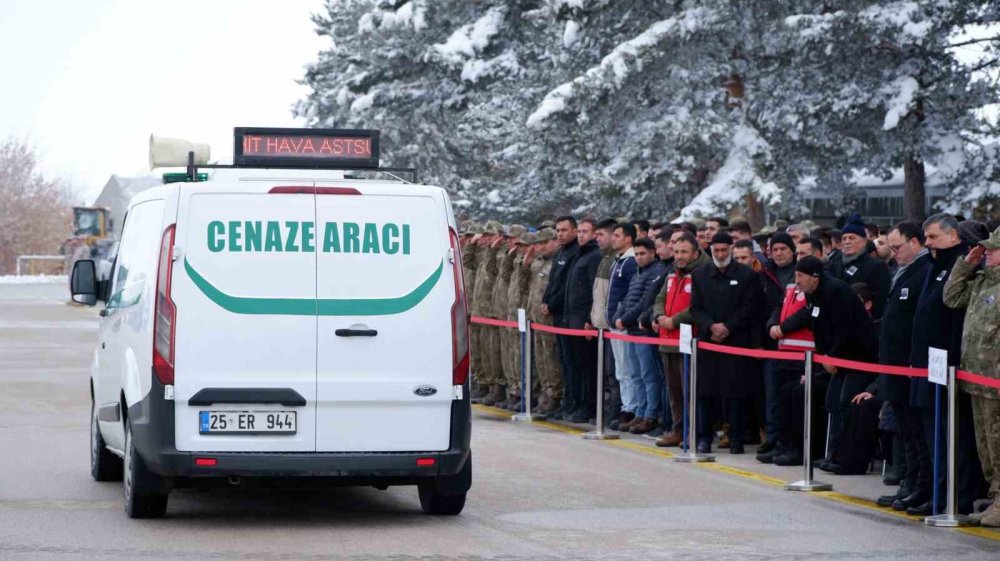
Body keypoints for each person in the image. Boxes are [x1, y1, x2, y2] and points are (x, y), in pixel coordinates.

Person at [909, 213, 984, 516]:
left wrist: (953, 364)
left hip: (948, 367)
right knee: (932, 434)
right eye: (925, 237)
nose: (927, 243)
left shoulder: (961, 265)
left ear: (954, 236)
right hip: (927, 364)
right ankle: (938, 491)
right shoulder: (934, 264)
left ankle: (957, 495)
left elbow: (954, 317)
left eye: (933, 237)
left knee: (953, 436)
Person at [791, 256, 878, 472]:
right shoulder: (814, 295)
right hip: (835, 359)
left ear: (815, 276)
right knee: (832, 403)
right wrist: (824, 357)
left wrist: (832, 356)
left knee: (846, 403)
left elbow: (845, 329)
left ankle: (849, 458)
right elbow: (819, 327)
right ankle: (834, 453)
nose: (797, 281)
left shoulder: (836, 291)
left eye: (800, 276)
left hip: (857, 358)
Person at [943, 226, 1000, 526]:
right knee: (985, 444)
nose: (986, 251)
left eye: (993, 248)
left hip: (995, 380)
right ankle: (995, 498)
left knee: (997, 440)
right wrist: (966, 264)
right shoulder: (981, 282)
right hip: (975, 377)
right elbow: (951, 298)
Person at [874, 222, 933, 509]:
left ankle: (920, 485)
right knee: (905, 430)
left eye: (897, 247)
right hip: (895, 365)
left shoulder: (924, 270)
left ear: (914, 242)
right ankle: (908, 484)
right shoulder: (903, 271)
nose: (893, 252)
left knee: (915, 431)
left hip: (910, 366)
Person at [689, 232, 759, 454]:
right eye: (716, 250)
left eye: (724, 250)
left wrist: (728, 327)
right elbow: (695, 308)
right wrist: (711, 326)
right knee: (705, 392)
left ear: (731, 249)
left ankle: (736, 439)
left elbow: (750, 308)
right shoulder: (700, 274)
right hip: (708, 342)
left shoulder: (747, 275)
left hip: (736, 341)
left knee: (735, 393)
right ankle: (704, 438)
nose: (720, 254)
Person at [651, 231, 709, 447]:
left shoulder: (703, 273)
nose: (679, 256)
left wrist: (674, 320)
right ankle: (678, 430)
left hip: (689, 340)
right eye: (676, 252)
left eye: (684, 252)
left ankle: (694, 432)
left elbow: (698, 306)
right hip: (668, 340)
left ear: (695, 253)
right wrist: (658, 316)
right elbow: (659, 298)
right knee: (674, 392)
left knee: (690, 391)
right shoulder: (672, 273)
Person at [614, 238, 669, 434]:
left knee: (649, 375)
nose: (639, 258)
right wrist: (618, 316)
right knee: (636, 374)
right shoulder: (638, 273)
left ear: (653, 253)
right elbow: (629, 298)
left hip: (643, 331)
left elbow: (646, 302)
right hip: (632, 332)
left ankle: (650, 414)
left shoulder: (656, 272)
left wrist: (626, 319)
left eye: (643, 254)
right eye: (636, 254)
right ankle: (640, 411)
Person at [562, 219, 602, 422]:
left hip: (584, 322)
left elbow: (593, 291)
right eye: (579, 231)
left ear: (594, 234)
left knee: (588, 368)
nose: (580, 235)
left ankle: (590, 407)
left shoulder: (594, 256)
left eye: (585, 231)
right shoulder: (580, 254)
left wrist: (589, 319)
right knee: (576, 365)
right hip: (572, 320)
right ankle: (577, 403)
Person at [542, 216, 581, 418]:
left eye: (565, 230)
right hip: (557, 315)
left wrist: (552, 303)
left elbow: (566, 285)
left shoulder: (575, 252)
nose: (560, 234)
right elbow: (553, 281)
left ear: (574, 231)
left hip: (568, 315)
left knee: (573, 363)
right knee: (564, 361)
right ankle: (567, 402)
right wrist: (545, 299)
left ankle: (574, 401)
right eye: (558, 230)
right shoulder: (561, 252)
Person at [587, 219, 620, 426]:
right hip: (600, 325)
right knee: (608, 372)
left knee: (616, 372)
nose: (596, 239)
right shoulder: (605, 258)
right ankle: (610, 410)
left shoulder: (617, 260)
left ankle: (617, 411)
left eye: (601, 235)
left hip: (613, 326)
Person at [527, 229, 563, 413]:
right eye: (538, 243)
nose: (541, 247)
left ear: (555, 241)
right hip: (536, 318)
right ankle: (546, 392)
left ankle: (555, 395)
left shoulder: (558, 262)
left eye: (545, 242)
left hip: (549, 319)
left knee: (551, 358)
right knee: (541, 359)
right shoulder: (540, 262)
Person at [607, 223, 639, 429]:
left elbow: (631, 294)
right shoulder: (617, 261)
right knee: (620, 369)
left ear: (628, 239)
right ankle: (626, 404)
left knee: (628, 369)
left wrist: (621, 315)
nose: (613, 239)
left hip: (622, 323)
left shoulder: (630, 262)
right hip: (613, 323)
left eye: (617, 235)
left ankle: (631, 407)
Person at [490, 225, 525, 409]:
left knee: (519, 354)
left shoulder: (525, 259)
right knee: (508, 354)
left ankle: (523, 392)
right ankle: (513, 390)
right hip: (506, 312)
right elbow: (501, 274)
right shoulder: (511, 257)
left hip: (520, 313)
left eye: (513, 239)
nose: (508, 241)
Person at [470, 220, 504, 404]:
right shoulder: (484, 254)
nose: (486, 239)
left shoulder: (500, 256)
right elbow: (467, 262)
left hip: (495, 312)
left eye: (490, 235)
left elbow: (495, 273)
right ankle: (483, 383)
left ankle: (497, 387)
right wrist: (471, 245)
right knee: (482, 352)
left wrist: (493, 249)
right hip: (479, 310)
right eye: (485, 236)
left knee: (496, 353)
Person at [833, 214, 891, 319]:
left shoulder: (876, 266)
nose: (847, 242)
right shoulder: (835, 265)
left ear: (864, 242)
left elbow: (879, 302)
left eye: (851, 238)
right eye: (844, 238)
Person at [501, 231, 535, 411]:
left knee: (524, 355)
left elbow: (523, 286)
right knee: (512, 354)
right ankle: (515, 390)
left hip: (526, 314)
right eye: (518, 245)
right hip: (512, 314)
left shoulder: (531, 265)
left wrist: (526, 264)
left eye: (524, 246)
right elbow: (504, 276)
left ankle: (527, 393)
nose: (520, 248)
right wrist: (512, 255)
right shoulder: (517, 261)